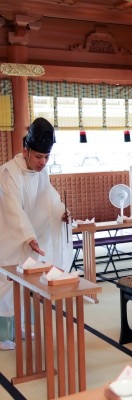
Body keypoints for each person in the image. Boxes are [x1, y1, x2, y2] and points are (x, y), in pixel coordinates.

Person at [0, 117, 73, 350]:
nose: (43, 162)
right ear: (26, 150)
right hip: (10, 236)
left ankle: (18, 327)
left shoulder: (41, 173)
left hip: (30, 239)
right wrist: (27, 235)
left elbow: (49, 199)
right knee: (6, 283)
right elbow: (11, 209)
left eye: (47, 157)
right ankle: (2, 336)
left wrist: (61, 213)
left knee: (25, 284)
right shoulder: (9, 173)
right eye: (39, 157)